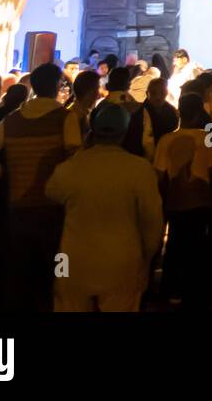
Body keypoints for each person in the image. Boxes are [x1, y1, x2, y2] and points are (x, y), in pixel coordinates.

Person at [45, 103, 164, 311]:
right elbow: (152, 221)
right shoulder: (140, 170)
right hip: (122, 260)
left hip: (72, 261)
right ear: (125, 132)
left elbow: (51, 192)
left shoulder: (71, 168)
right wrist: (147, 257)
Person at [0, 63, 69, 311]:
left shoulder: (13, 120)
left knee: (20, 271)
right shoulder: (66, 118)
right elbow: (76, 158)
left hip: (18, 209)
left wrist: (3, 173)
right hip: (56, 211)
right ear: (57, 86)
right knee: (58, 267)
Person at [153, 93, 212, 309]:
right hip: (201, 202)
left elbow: (159, 175)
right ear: (199, 113)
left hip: (175, 202)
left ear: (179, 110)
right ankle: (194, 292)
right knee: (197, 249)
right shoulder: (207, 137)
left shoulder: (166, 140)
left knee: (174, 247)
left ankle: (169, 289)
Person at [125, 75, 179, 161]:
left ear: (166, 93)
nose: (158, 97)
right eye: (154, 93)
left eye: (162, 92)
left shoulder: (172, 112)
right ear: (147, 93)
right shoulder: (138, 115)